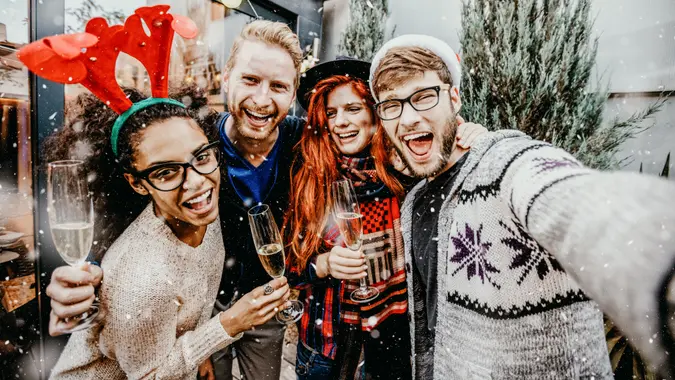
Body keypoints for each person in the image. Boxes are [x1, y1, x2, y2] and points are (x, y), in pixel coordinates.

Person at [43, 20, 484, 380]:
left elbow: (383, 140)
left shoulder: (307, 143)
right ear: (227, 77)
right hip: (193, 311)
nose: (261, 98)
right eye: (250, 80)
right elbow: (133, 212)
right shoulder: (193, 143)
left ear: (293, 95)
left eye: (278, 86)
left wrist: (465, 131)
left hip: (269, 304)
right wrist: (88, 282)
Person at [368, 34, 675, 379]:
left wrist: (656, 257)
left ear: (454, 99)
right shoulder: (415, 204)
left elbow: (567, 196)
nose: (407, 118)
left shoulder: (507, 167)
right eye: (392, 105)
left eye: (423, 97)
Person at [285, 57, 486, 380]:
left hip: (391, 339)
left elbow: (448, 147)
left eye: (353, 109)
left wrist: (474, 137)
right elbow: (289, 266)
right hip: (325, 344)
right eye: (332, 113)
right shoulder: (311, 174)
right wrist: (323, 265)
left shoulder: (406, 170)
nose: (340, 122)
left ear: (375, 113)